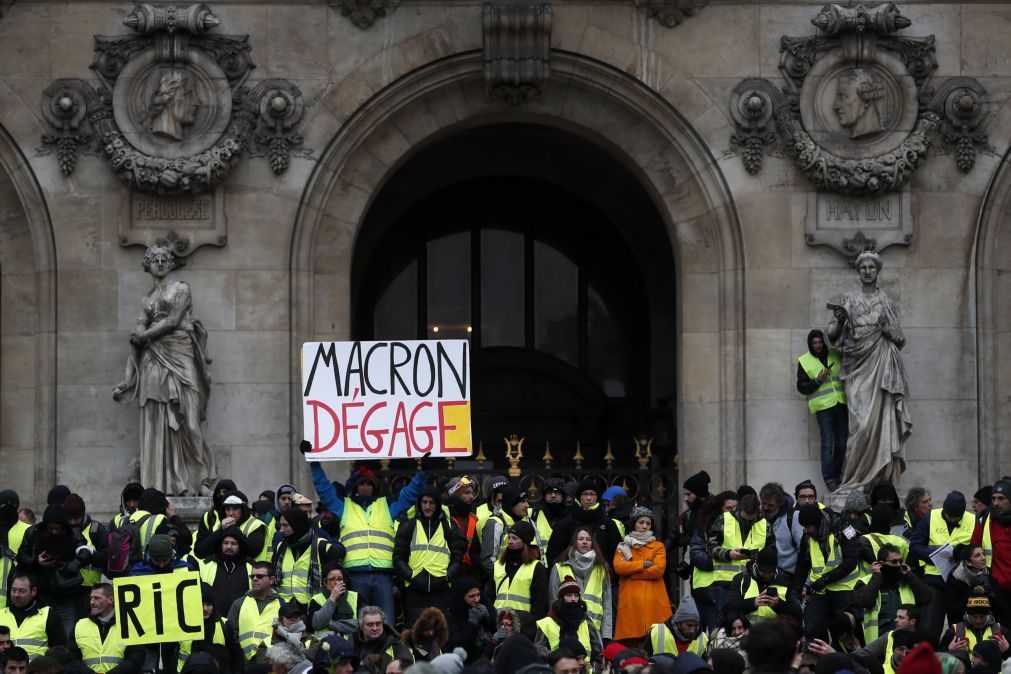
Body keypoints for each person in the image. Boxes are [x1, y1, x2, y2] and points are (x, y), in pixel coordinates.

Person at [113, 241, 216, 496]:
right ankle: (161, 483)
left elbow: (172, 321)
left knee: (190, 421)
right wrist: (128, 379)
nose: (159, 263)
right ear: (147, 265)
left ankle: (201, 477)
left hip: (180, 356)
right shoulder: (146, 299)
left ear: (171, 264)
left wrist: (144, 335)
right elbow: (135, 338)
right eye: (154, 259)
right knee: (156, 418)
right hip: (152, 361)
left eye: (164, 259)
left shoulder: (181, 288)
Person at [306, 442, 427, 622]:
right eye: (362, 483)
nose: (365, 487)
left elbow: (410, 494)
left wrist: (423, 472)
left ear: (374, 487)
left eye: (369, 484)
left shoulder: (386, 505)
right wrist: (314, 461)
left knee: (386, 625)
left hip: (383, 575)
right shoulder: (344, 506)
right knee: (357, 624)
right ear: (355, 486)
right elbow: (324, 488)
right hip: (355, 575)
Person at [825, 250, 912, 490]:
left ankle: (879, 482)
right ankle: (853, 481)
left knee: (882, 422)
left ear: (877, 270)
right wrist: (841, 320)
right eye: (863, 268)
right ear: (858, 271)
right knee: (860, 426)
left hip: (882, 363)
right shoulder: (849, 300)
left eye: (871, 267)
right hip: (856, 367)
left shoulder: (886, 301)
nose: (867, 272)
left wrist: (887, 331)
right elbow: (831, 334)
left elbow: (900, 338)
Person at [393, 486, 465, 623]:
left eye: (431, 503)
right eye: (424, 502)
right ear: (419, 504)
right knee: (415, 634)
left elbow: (458, 557)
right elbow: (398, 558)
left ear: (437, 505)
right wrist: (411, 576)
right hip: (415, 589)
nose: (427, 506)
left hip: (441, 589)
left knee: (440, 634)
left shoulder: (448, 527)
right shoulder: (409, 526)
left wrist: (447, 577)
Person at [910, 491, 976, 639]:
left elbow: (978, 549)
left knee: (959, 630)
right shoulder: (930, 518)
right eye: (949, 516)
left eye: (956, 517)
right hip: (934, 581)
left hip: (961, 582)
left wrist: (960, 555)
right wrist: (935, 554)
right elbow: (914, 546)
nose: (952, 519)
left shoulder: (973, 520)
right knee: (929, 628)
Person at [15, 503, 88, 634]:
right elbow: (21, 556)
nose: (54, 531)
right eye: (51, 528)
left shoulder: (73, 533)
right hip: (40, 595)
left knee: (67, 634)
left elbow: (85, 551)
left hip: (65, 593)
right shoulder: (33, 532)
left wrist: (74, 563)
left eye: (57, 528)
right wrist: (36, 561)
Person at [792, 504, 863, 639]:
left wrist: (825, 579)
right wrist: (795, 591)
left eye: (808, 526)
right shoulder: (807, 537)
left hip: (844, 589)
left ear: (818, 523)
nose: (806, 530)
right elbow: (802, 566)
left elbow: (851, 562)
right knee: (812, 627)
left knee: (845, 629)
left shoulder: (842, 529)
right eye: (804, 527)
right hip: (820, 590)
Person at [706, 493, 774, 621]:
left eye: (751, 520)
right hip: (724, 583)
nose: (748, 522)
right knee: (724, 623)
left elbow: (771, 553)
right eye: (745, 519)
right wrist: (728, 554)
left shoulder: (765, 524)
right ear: (739, 509)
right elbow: (710, 547)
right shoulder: (723, 520)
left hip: (752, 583)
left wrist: (756, 556)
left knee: (749, 623)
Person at [796, 329, 848, 491]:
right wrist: (818, 381)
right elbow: (801, 387)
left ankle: (837, 474)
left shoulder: (835, 355)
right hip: (823, 407)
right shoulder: (804, 361)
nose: (817, 346)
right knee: (827, 444)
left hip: (840, 403)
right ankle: (829, 479)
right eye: (814, 343)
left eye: (819, 342)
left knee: (841, 443)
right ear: (810, 345)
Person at [851, 544, 931, 643]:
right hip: (878, 643)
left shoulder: (907, 581)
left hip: (907, 641)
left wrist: (910, 575)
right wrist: (876, 576)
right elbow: (864, 602)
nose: (898, 565)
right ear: (880, 564)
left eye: (900, 561)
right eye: (894, 562)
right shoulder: (866, 582)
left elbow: (926, 598)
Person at [613, 506, 670, 643]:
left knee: (655, 640)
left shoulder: (658, 546)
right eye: (641, 522)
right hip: (631, 603)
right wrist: (642, 565)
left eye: (648, 523)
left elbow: (658, 570)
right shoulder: (623, 546)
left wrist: (631, 573)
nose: (645, 526)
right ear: (634, 523)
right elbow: (619, 567)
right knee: (632, 645)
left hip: (653, 602)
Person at [549, 526, 613, 640]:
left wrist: (607, 635)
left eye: (588, 539)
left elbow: (607, 604)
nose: (585, 542)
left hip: (594, 631)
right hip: (566, 629)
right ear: (574, 542)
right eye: (581, 539)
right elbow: (553, 601)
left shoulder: (602, 569)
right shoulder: (559, 567)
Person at [274, 506, 344, 609]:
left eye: (285, 525)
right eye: (281, 525)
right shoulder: (281, 547)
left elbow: (336, 582)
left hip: (314, 609)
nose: (281, 530)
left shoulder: (323, 547)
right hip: (284, 610)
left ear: (296, 525)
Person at [690, 491, 739, 633]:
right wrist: (725, 558)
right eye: (728, 509)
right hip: (706, 589)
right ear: (719, 508)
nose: (732, 513)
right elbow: (697, 556)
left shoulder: (739, 529)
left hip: (728, 589)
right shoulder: (705, 527)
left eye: (735, 509)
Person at [68, 583, 144, 674]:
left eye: (97, 598)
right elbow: (71, 657)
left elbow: (136, 657)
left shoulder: (129, 624)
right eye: (91, 598)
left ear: (111, 600)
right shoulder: (79, 626)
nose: (92, 602)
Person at [493, 521, 548, 639]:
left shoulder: (536, 567)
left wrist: (531, 628)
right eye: (509, 537)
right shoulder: (498, 565)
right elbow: (491, 595)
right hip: (499, 624)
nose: (511, 541)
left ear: (525, 542)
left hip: (523, 627)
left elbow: (540, 604)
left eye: (515, 538)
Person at [546, 480, 621, 564]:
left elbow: (617, 554)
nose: (588, 498)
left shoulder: (608, 524)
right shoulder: (565, 523)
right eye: (585, 494)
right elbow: (554, 554)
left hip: (600, 573)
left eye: (592, 494)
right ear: (579, 497)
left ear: (597, 498)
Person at [724, 545, 800, 626]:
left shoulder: (785, 582)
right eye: (763, 571)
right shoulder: (741, 579)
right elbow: (728, 608)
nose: (766, 575)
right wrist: (752, 603)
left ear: (775, 568)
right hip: (747, 634)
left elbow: (797, 614)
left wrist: (778, 605)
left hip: (775, 635)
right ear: (757, 566)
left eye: (770, 572)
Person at [177, 583, 241, 674]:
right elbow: (170, 654)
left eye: (208, 604)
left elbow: (236, 656)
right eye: (201, 604)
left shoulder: (224, 624)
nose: (205, 609)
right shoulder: (182, 626)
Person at [227, 561, 283, 665]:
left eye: (260, 576)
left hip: (273, 662)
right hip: (244, 662)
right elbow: (230, 634)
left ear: (272, 580)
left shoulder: (283, 604)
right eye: (252, 576)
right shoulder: (239, 603)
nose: (255, 579)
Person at [0, 572, 67, 658]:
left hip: (37, 670)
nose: (16, 594)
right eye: (13, 590)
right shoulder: (1, 615)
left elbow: (60, 652)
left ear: (33, 591)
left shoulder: (48, 615)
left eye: (22, 591)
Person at [534, 577, 604, 659]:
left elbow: (597, 652)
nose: (573, 599)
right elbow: (539, 649)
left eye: (576, 595)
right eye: (569, 595)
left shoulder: (586, 621)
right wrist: (557, 661)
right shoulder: (547, 622)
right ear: (561, 598)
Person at [482, 487, 542, 577]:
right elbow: (489, 561)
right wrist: (505, 579)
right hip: (503, 581)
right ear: (511, 504)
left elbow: (540, 550)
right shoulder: (496, 523)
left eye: (527, 501)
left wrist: (539, 574)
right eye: (522, 502)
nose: (527, 505)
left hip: (529, 579)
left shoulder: (529, 521)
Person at [974, 479, 1011, 625]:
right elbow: (972, 552)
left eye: (1001, 499)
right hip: (995, 591)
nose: (996, 503)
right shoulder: (984, 523)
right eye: (994, 499)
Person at [191, 528, 252, 617]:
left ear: (240, 545)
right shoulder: (205, 565)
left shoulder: (251, 567)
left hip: (242, 620)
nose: (229, 547)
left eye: (233, 543)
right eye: (225, 543)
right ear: (220, 544)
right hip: (213, 621)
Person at [940, 592, 1008, 662]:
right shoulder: (954, 631)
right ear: (968, 614)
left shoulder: (1001, 631)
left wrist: (1007, 651)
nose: (978, 621)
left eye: (982, 617)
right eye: (974, 617)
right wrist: (949, 651)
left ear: (988, 614)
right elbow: (938, 660)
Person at [443, 576, 495, 663]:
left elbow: (497, 629)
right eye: (471, 596)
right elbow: (459, 649)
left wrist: (488, 617)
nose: (477, 600)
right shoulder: (449, 618)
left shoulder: (482, 607)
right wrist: (472, 623)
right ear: (461, 598)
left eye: (478, 595)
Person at [946, 544, 998, 628]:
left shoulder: (989, 574)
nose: (983, 558)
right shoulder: (955, 578)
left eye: (983, 554)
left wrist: (991, 594)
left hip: (989, 624)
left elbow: (1002, 611)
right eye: (977, 555)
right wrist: (971, 597)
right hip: (963, 627)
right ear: (968, 562)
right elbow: (952, 612)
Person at [759, 483, 803, 576]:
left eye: (770, 505)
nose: (766, 508)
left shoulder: (793, 518)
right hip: (762, 576)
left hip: (788, 577)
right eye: (763, 503)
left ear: (780, 503)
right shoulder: (757, 517)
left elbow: (804, 551)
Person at [0, 491, 32, 611]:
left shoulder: (28, 530)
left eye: (12, 505)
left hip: (20, 600)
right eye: (4, 505)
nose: (8, 508)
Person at [308, 563, 358, 638]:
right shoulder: (316, 600)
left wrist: (330, 624)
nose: (337, 582)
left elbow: (362, 624)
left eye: (340, 579)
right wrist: (332, 598)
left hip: (351, 644)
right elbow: (317, 625)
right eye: (332, 579)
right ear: (325, 582)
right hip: (325, 645)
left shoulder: (356, 596)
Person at [445, 477, 481, 581]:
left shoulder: (474, 518)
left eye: (472, 493)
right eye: (466, 493)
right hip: (451, 573)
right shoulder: (445, 518)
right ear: (456, 496)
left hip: (472, 573)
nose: (471, 496)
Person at [348, 606, 401, 672]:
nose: (375, 628)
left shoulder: (395, 643)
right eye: (370, 625)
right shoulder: (352, 640)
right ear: (361, 626)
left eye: (378, 624)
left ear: (383, 625)